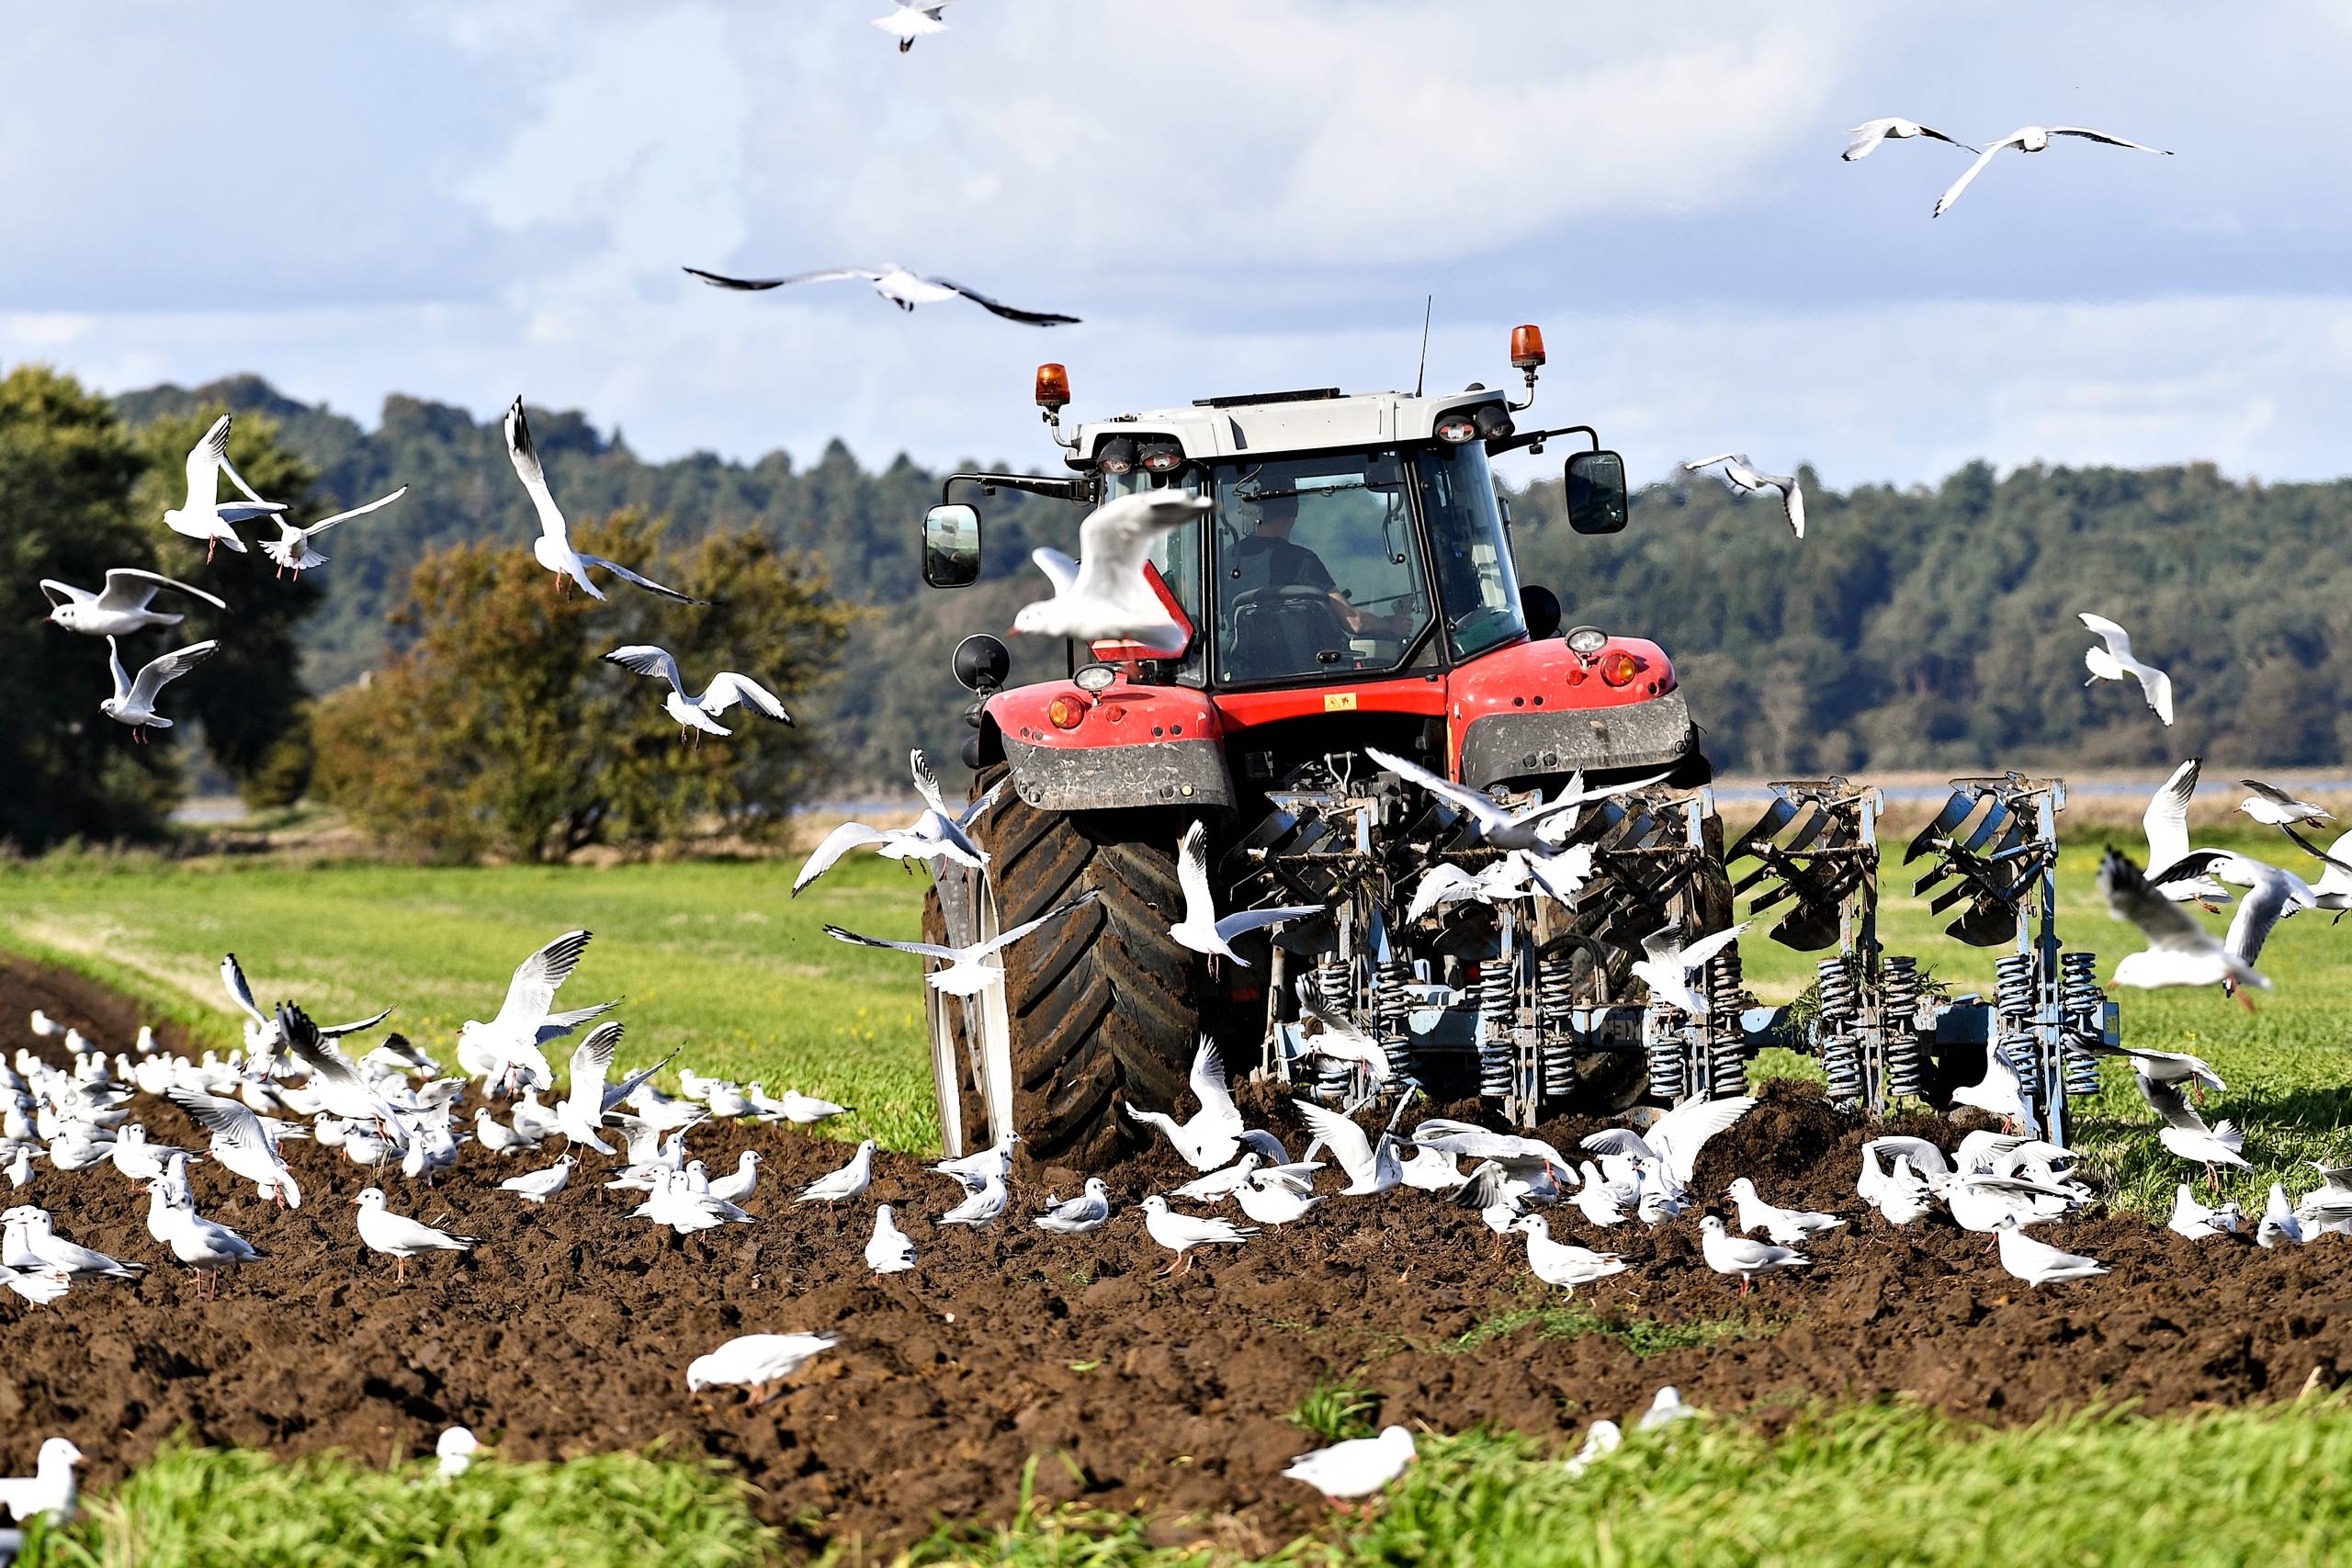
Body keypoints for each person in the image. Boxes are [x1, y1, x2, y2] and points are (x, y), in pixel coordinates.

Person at [1227, 492, 1410, 637]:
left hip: (1240, 665)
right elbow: (1354, 622)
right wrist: (1390, 624)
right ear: (1293, 514)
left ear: (1255, 513)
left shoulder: (1227, 558)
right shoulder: (1301, 560)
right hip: (1303, 666)